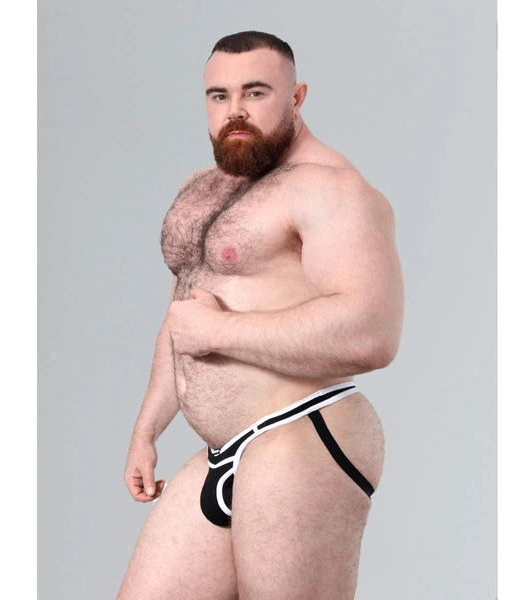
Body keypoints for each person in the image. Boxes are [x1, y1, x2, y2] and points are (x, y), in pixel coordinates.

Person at [117, 30, 404, 600]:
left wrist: (219, 331)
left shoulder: (333, 189)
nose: (236, 111)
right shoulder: (201, 189)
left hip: (302, 435)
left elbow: (373, 332)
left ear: (296, 97)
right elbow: (182, 320)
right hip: (222, 450)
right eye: (219, 96)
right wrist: (147, 429)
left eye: (255, 92)